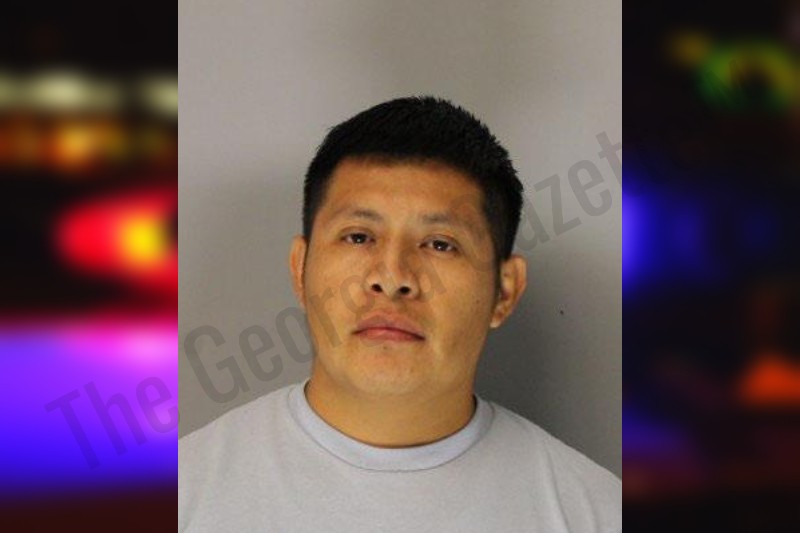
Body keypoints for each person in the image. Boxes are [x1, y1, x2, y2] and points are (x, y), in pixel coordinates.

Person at [179, 96, 621, 532]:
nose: (392, 278)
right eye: (358, 237)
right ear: (300, 268)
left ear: (504, 291)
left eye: (440, 244)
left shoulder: (596, 513)